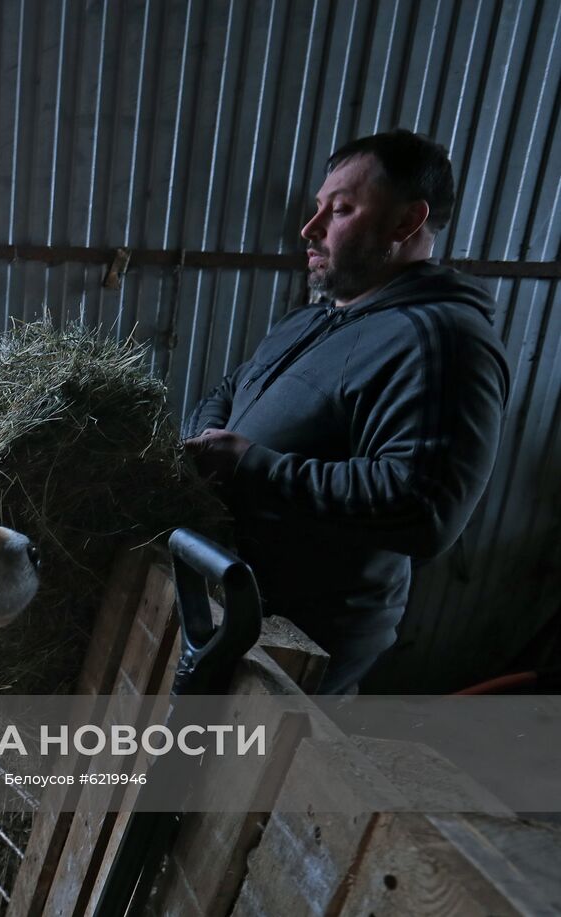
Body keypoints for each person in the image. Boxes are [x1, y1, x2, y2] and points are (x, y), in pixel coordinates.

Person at [183, 129, 510, 694]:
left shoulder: (441, 342)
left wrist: (249, 466)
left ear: (407, 224)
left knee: (255, 777)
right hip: (233, 607)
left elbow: (423, 508)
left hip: (301, 644)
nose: (310, 229)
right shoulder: (312, 319)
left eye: (340, 210)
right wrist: (208, 438)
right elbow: (231, 388)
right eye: (318, 209)